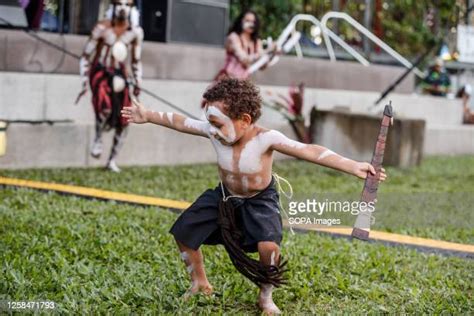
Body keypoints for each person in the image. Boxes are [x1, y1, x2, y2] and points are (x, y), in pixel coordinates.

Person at [121, 79, 387, 315]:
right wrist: (148, 115)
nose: (211, 130)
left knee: (268, 247)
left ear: (245, 120)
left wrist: (353, 166)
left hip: (260, 200)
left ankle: (265, 296)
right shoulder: (213, 131)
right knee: (183, 232)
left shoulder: (266, 139)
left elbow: (309, 151)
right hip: (225, 197)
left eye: (217, 124)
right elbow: (178, 121)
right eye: (210, 123)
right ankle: (200, 284)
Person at [77, 0, 143, 172]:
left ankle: (112, 160)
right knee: (104, 107)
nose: (122, 8)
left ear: (131, 8)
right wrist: (84, 82)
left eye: (127, 5)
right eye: (119, 4)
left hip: (122, 76)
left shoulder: (135, 32)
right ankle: (98, 137)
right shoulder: (101, 28)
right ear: (113, 7)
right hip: (101, 73)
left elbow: (136, 60)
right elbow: (85, 56)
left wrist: (138, 81)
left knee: (125, 118)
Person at [214, 10, 266, 81]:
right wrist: (263, 53)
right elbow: (244, 59)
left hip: (244, 82)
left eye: (253, 22)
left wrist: (271, 55)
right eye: (247, 21)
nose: (251, 24)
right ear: (241, 21)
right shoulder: (234, 37)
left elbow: (262, 66)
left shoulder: (256, 41)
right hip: (228, 80)